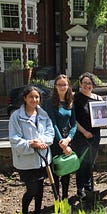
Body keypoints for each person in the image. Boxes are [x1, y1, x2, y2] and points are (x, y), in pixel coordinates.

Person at [9, 85, 54, 214]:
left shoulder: (43, 115)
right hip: (26, 161)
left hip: (42, 159)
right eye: (31, 97)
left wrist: (42, 142)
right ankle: (25, 211)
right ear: (25, 98)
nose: (34, 99)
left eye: (37, 97)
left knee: (40, 189)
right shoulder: (16, 117)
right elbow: (14, 138)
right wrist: (30, 144)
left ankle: (37, 211)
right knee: (32, 189)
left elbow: (50, 133)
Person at [45, 74, 77, 200]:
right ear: (55, 86)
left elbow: (73, 124)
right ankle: (57, 199)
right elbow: (52, 123)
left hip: (67, 141)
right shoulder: (50, 102)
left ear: (68, 86)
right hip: (55, 142)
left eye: (64, 84)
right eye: (59, 84)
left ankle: (65, 198)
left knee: (66, 172)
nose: (62, 87)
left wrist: (68, 139)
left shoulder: (70, 101)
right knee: (56, 171)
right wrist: (61, 142)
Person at [73, 72, 103, 199]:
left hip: (95, 135)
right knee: (81, 162)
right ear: (80, 84)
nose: (87, 85)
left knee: (91, 162)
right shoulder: (75, 98)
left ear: (93, 85)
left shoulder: (98, 99)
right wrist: (84, 132)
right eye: (84, 83)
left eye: (89, 83)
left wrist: (103, 123)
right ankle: (80, 189)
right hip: (81, 136)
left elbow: (102, 116)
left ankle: (89, 186)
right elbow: (73, 119)